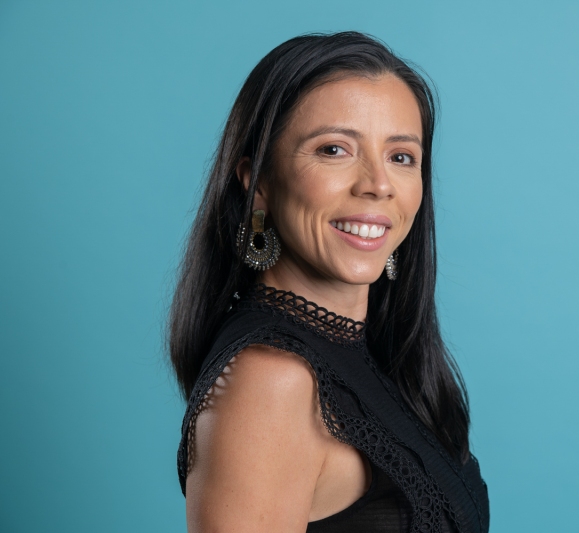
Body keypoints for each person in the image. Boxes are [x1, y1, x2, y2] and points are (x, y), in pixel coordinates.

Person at [169, 31, 489, 533]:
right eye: (335, 149)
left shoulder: (376, 353)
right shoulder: (271, 381)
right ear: (260, 185)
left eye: (401, 156)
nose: (378, 185)